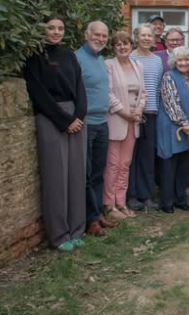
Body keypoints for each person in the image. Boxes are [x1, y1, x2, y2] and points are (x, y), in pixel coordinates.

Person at [24, 15, 87, 252]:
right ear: (43, 30)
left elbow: (80, 86)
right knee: (56, 177)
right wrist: (65, 121)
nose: (56, 32)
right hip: (52, 118)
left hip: (77, 117)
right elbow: (38, 93)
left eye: (60, 28)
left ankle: (77, 228)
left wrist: (80, 115)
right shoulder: (35, 57)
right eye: (51, 28)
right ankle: (60, 235)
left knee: (76, 175)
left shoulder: (69, 55)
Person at [75, 21, 116, 236]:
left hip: (102, 121)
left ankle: (97, 212)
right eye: (96, 35)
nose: (100, 39)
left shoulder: (100, 59)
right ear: (86, 34)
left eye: (104, 36)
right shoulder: (77, 59)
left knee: (99, 172)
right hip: (86, 124)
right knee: (87, 173)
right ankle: (89, 220)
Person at [156, 46, 189, 213]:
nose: (183, 63)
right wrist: (184, 122)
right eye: (180, 60)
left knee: (184, 166)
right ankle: (167, 202)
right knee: (170, 166)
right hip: (174, 128)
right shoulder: (168, 77)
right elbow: (171, 104)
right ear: (174, 62)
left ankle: (180, 198)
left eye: (186, 60)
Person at [104, 31, 146, 221]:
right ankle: (109, 204)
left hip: (133, 121)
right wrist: (123, 112)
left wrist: (138, 111)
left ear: (131, 46)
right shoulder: (108, 65)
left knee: (125, 164)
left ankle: (121, 202)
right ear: (113, 48)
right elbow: (108, 93)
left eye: (125, 44)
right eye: (118, 44)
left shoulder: (138, 65)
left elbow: (143, 93)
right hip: (117, 120)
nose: (122, 47)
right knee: (112, 164)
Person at [128, 23, 163, 211]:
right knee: (132, 156)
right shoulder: (131, 57)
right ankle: (132, 196)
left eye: (150, 35)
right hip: (133, 114)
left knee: (148, 156)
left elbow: (157, 88)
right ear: (137, 37)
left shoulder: (157, 60)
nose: (147, 38)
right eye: (143, 35)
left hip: (152, 113)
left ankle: (146, 195)